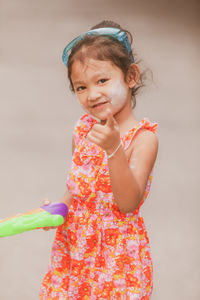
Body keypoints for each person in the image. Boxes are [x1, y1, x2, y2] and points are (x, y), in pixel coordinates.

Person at [40, 20, 158, 300]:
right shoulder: (83, 130)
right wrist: (57, 210)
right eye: (80, 87)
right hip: (76, 251)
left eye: (102, 81)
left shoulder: (142, 139)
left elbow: (128, 203)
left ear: (131, 77)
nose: (91, 94)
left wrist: (114, 148)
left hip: (116, 260)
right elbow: (80, 188)